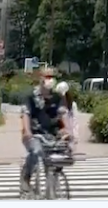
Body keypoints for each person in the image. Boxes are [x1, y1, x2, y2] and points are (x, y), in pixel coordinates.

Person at [20, 67, 64, 195]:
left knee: (60, 155)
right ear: (41, 78)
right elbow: (26, 114)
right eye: (47, 77)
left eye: (52, 77)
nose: (50, 80)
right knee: (36, 151)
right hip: (34, 134)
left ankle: (52, 184)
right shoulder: (31, 96)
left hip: (52, 135)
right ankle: (26, 177)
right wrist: (27, 131)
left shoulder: (57, 97)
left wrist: (66, 130)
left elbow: (63, 114)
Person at [55, 81, 79, 151]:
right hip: (60, 134)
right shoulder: (56, 104)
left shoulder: (72, 105)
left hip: (70, 135)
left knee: (69, 153)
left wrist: (75, 135)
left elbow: (75, 121)